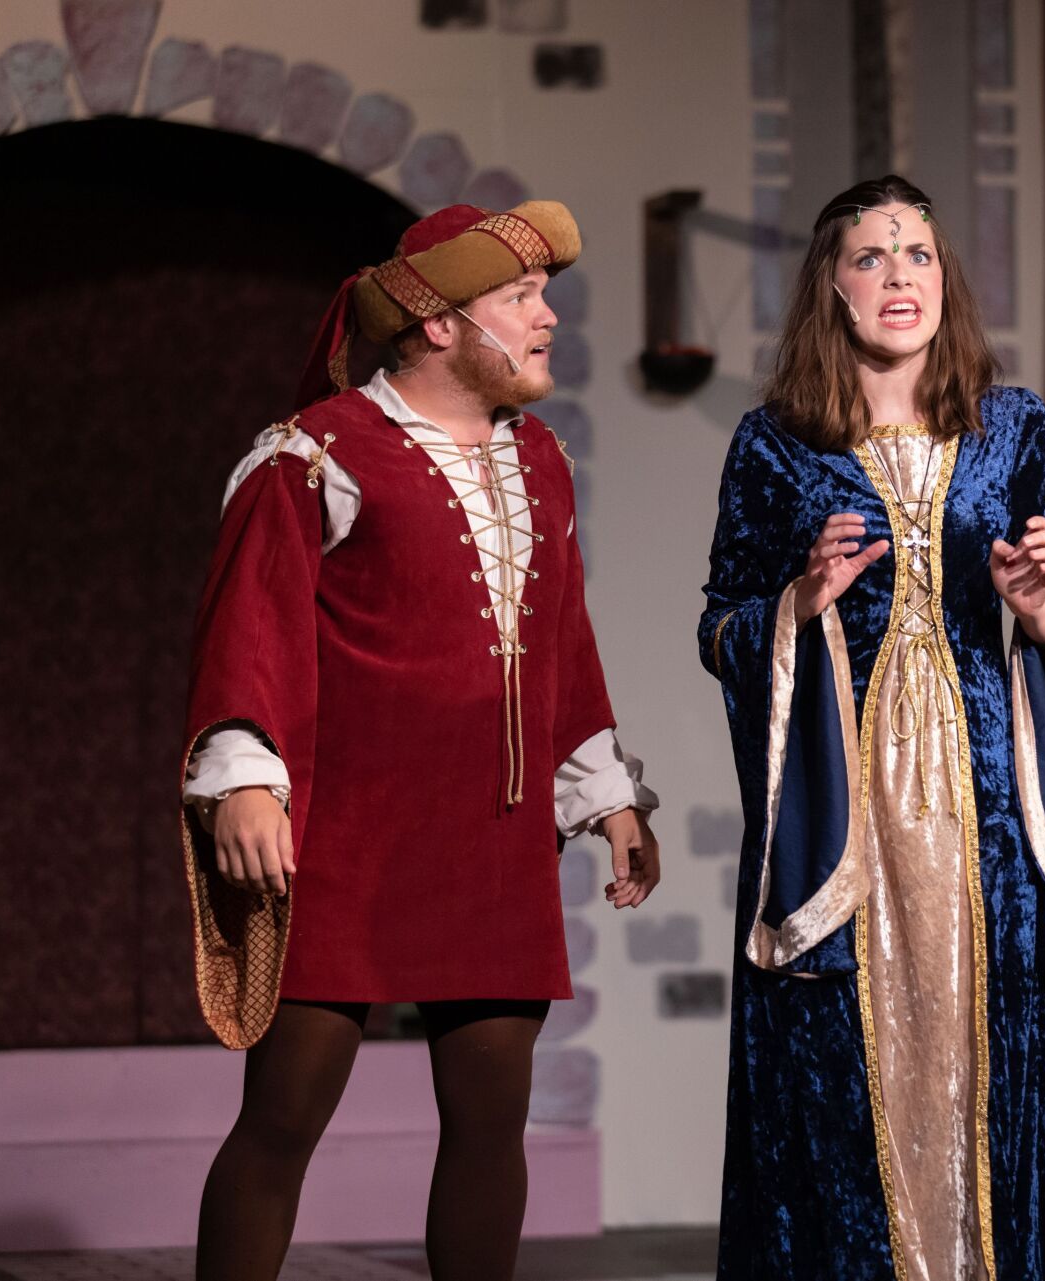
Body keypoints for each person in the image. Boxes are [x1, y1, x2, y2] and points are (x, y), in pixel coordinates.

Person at [180, 200, 660, 1281]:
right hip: (348, 844)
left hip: (492, 843)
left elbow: (561, 644)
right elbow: (249, 625)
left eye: (544, 294)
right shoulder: (316, 454)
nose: (548, 317)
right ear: (440, 322)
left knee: (492, 1121)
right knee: (283, 1117)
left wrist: (605, 792)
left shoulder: (541, 460)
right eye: (521, 296)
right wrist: (245, 776)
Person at [699, 175, 1045, 1280]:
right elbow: (722, 624)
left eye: (920, 255)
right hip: (844, 819)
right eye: (872, 257)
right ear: (832, 286)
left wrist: (1041, 607)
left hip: (980, 819)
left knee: (985, 1074)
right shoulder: (776, 444)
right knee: (833, 1088)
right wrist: (797, 605)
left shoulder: (1012, 427)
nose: (900, 277)